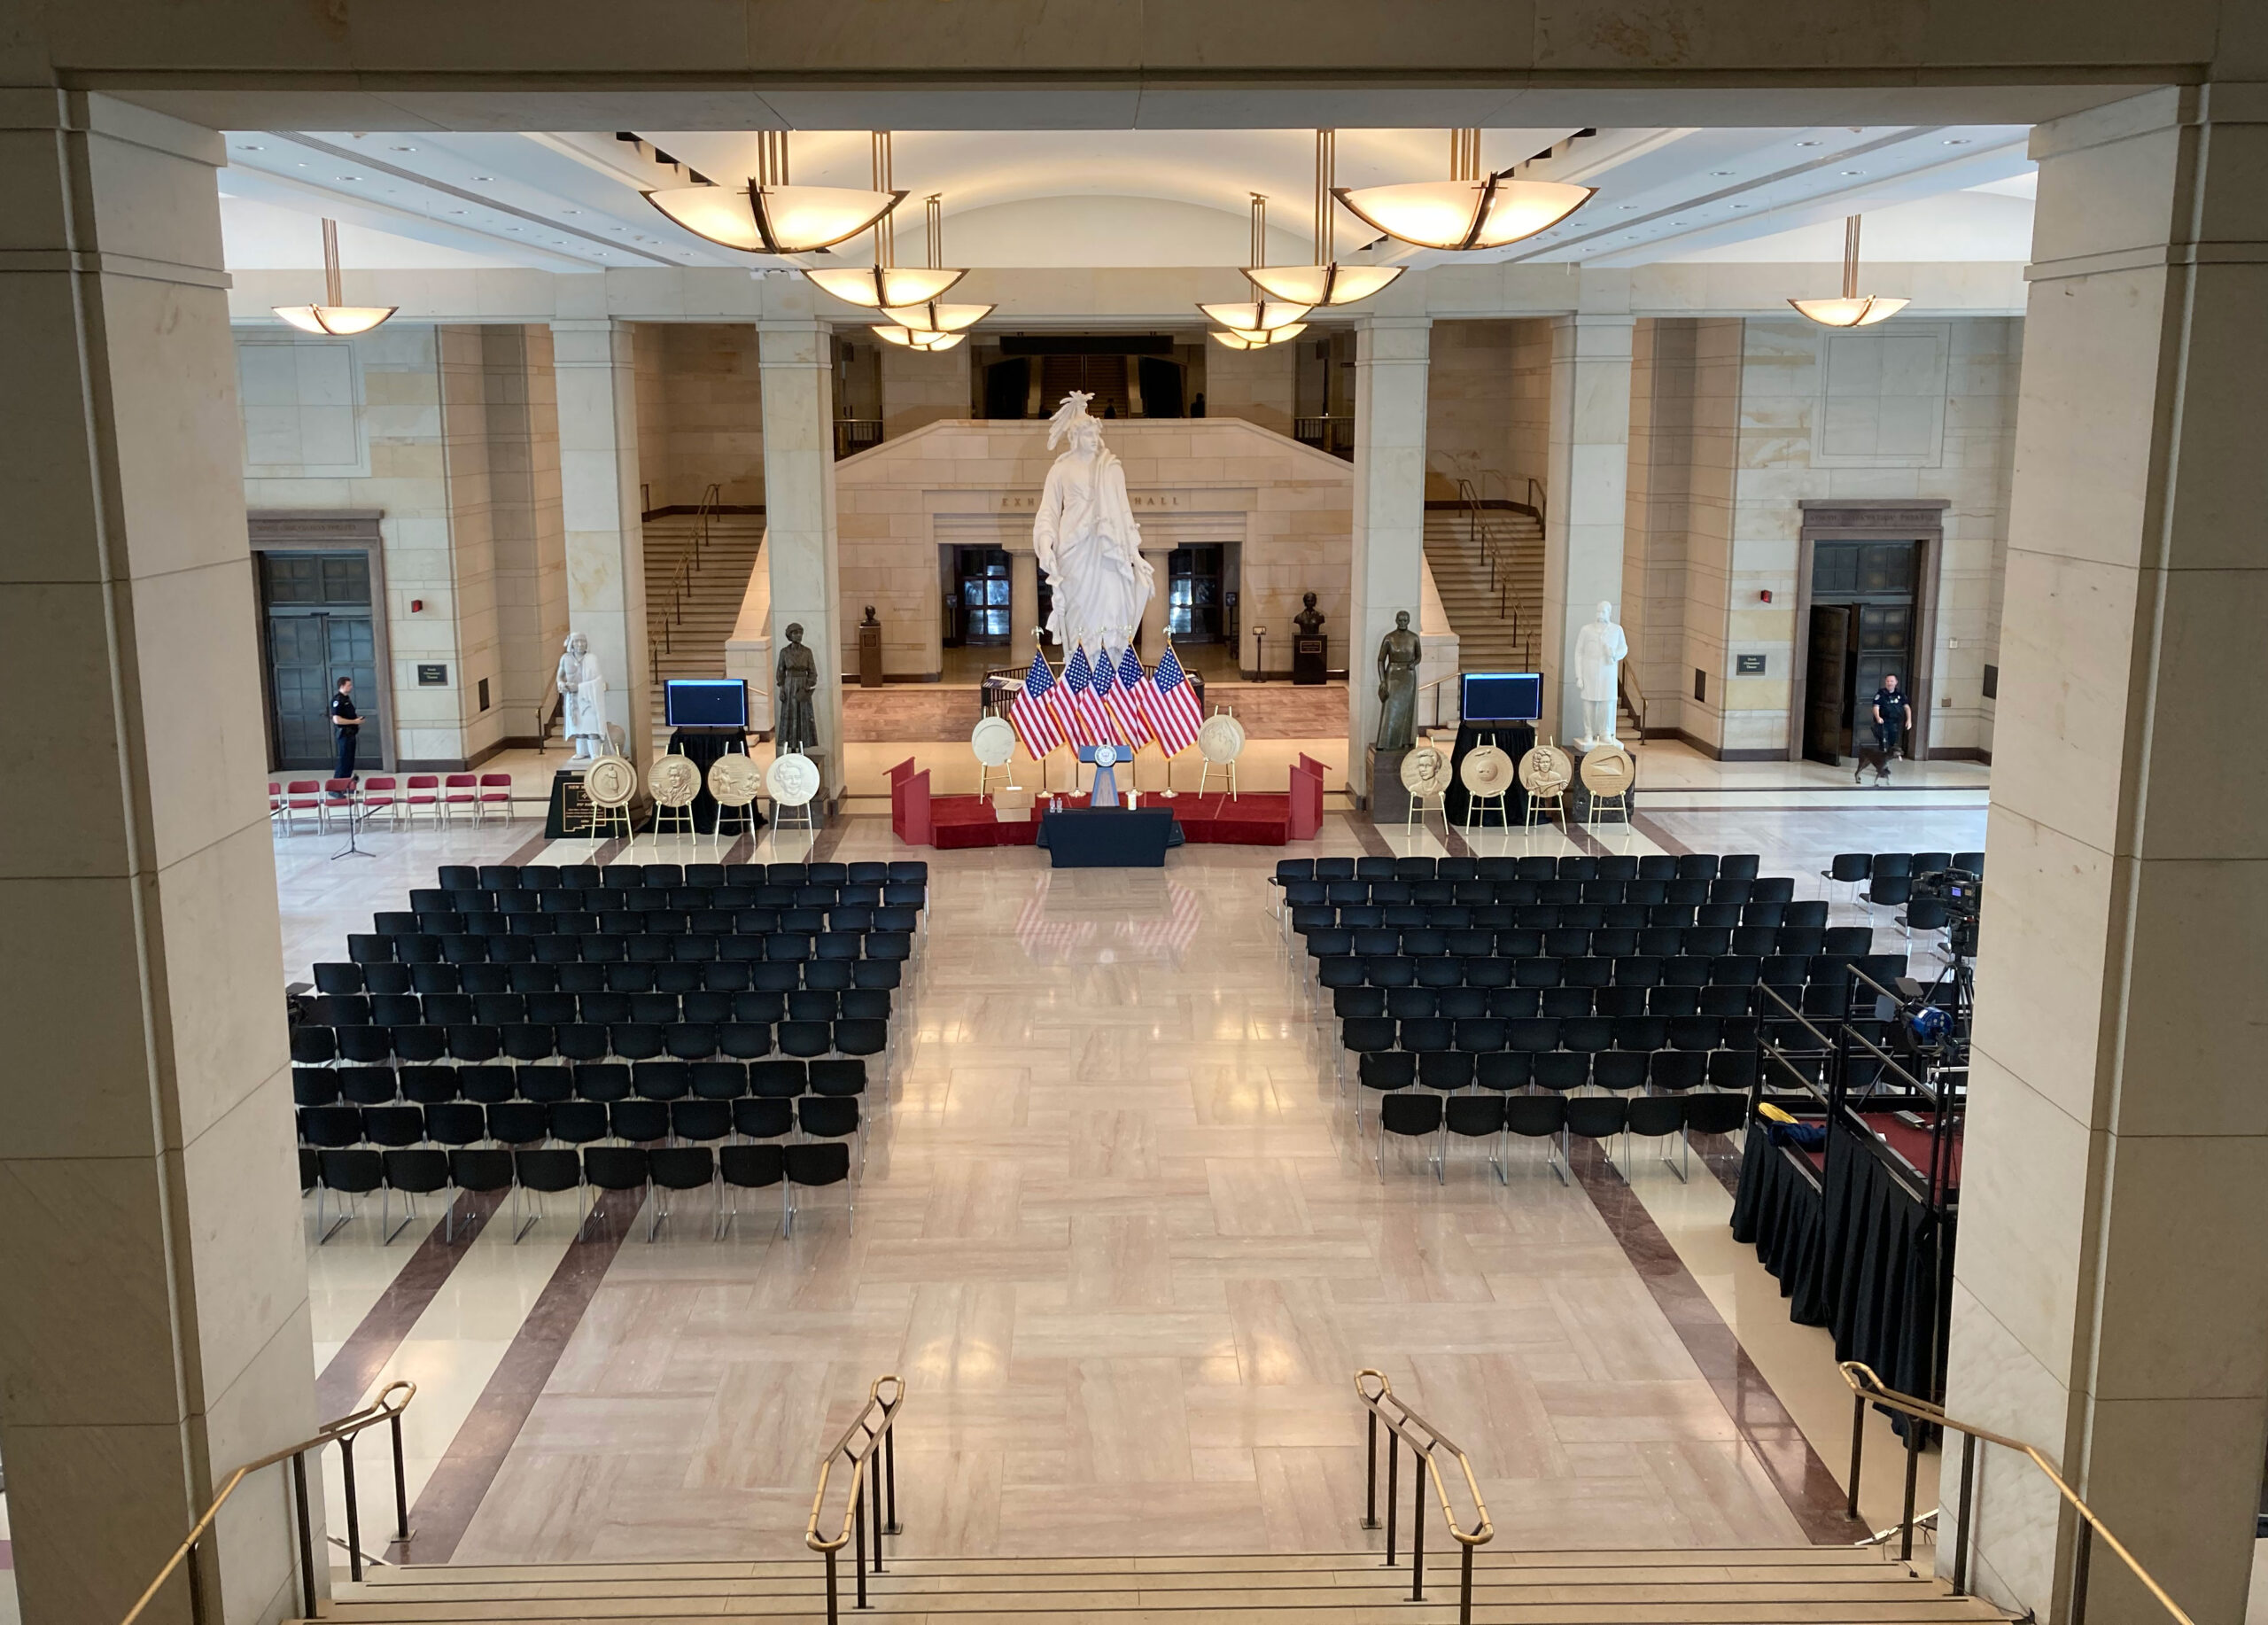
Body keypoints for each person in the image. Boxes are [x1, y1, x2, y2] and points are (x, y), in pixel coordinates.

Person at [1870, 673, 1911, 775]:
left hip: (1895, 724)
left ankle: (1886, 765)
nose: (1889, 683)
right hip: (1883, 723)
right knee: (1883, 746)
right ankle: (1881, 768)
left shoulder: (1900, 695)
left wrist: (1909, 720)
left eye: (1892, 681)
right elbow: (1876, 707)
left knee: (1892, 746)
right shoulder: (1881, 694)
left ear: (1896, 682)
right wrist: (1878, 717)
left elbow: (1907, 708)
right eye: (1888, 681)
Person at [329, 675, 361, 785]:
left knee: (349, 761)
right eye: (349, 685)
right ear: (342, 686)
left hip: (351, 733)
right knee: (343, 761)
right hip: (344, 734)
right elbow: (337, 720)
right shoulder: (338, 700)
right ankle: (336, 787)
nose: (351, 687)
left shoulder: (347, 699)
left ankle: (346, 785)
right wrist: (354, 722)